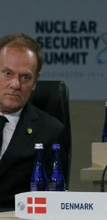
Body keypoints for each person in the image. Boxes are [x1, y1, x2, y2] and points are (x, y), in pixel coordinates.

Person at [0, 33, 66, 209]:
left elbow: (54, 201)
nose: (15, 84)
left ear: (35, 81)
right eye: (8, 73)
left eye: (25, 77)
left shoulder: (50, 132)